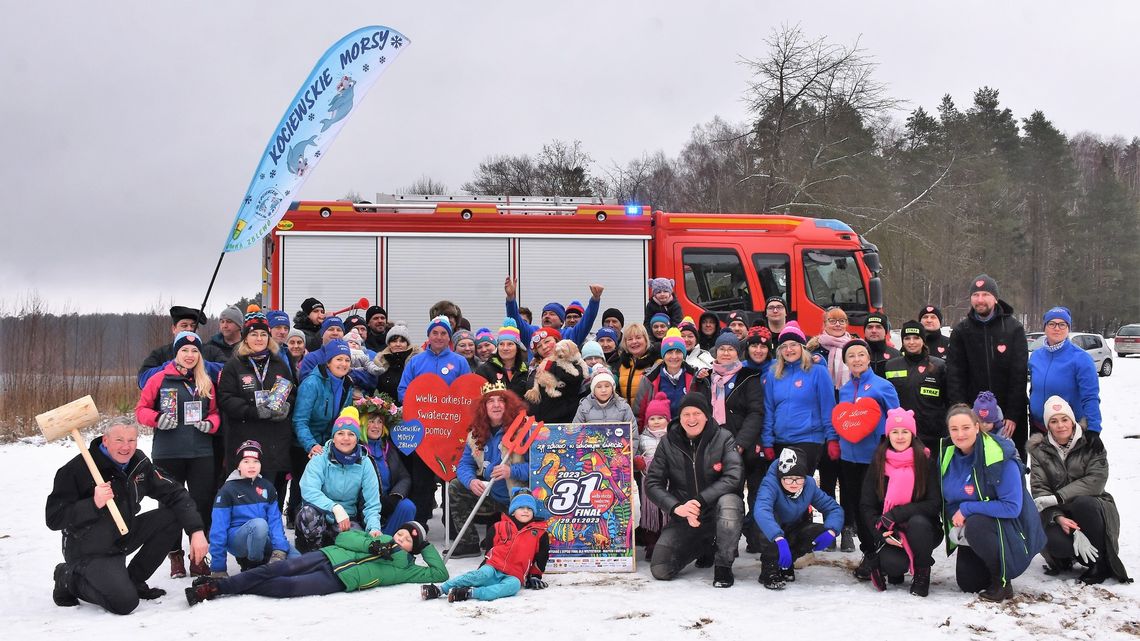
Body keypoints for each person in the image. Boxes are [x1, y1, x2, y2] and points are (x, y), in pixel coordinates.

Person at [47, 421, 208, 614]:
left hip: (123, 533)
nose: (126, 446)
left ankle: (134, 580)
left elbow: (175, 493)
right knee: (124, 603)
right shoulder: (77, 469)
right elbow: (54, 518)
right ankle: (67, 578)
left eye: (131, 440)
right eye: (119, 440)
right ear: (105, 441)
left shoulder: (138, 464)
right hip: (89, 549)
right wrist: (93, 503)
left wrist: (196, 531)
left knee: (173, 516)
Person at [186, 521, 445, 604]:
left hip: (339, 580)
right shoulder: (377, 537)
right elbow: (344, 536)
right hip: (328, 556)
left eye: (408, 540)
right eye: (400, 533)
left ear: (414, 549)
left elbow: (440, 572)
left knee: (286, 587)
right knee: (278, 567)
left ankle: (234, 586)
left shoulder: (407, 569)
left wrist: (425, 546)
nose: (400, 538)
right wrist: (371, 544)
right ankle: (218, 587)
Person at [135, 330, 220, 578]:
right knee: (170, 506)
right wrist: (157, 419)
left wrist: (211, 424)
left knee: (202, 503)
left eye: (195, 351)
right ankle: (175, 556)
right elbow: (141, 410)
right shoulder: (159, 379)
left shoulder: (205, 380)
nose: (190, 355)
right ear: (176, 353)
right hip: (168, 452)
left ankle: (198, 556)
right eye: (185, 350)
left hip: (201, 452)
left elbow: (215, 413)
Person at [940, 404, 1045, 602]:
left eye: (966, 427)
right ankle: (987, 565)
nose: (960, 434)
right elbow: (948, 496)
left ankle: (1002, 581)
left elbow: (1012, 507)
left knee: (977, 523)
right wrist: (956, 520)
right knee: (968, 583)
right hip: (973, 531)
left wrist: (966, 509)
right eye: (954, 429)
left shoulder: (999, 455)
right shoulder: (948, 456)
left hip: (1010, 530)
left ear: (977, 427)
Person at [645, 391, 744, 588]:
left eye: (697, 413)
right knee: (661, 569)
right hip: (685, 515)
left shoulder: (723, 437)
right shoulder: (667, 442)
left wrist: (700, 500)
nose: (692, 419)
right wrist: (676, 508)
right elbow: (652, 483)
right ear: (679, 417)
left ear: (706, 415)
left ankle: (723, 564)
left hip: (717, 511)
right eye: (686, 414)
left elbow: (733, 476)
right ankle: (704, 545)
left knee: (730, 502)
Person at [1028, 396, 1130, 584]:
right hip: (1061, 513)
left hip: (1093, 508)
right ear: (1047, 425)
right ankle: (1067, 558)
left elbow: (1096, 480)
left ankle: (1099, 564)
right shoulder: (1038, 451)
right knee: (1054, 542)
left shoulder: (1091, 443)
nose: (1060, 425)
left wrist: (1059, 497)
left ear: (1072, 420)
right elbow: (1039, 489)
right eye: (1054, 421)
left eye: (1064, 419)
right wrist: (1058, 517)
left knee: (1083, 503)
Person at [858, 408, 942, 596]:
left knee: (918, 522)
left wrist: (895, 514)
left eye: (905, 431)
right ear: (888, 435)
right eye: (895, 432)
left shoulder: (925, 461)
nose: (900, 436)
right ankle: (888, 566)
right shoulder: (879, 461)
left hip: (924, 530)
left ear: (912, 434)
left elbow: (934, 503)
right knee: (893, 565)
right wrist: (880, 531)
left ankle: (922, 573)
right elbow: (867, 505)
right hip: (892, 531)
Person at [945, 274, 1029, 457]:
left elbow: (1019, 374)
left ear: (995, 298)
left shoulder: (1013, 328)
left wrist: (1013, 414)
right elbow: (955, 374)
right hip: (973, 417)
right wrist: (962, 412)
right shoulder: (961, 331)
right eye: (976, 295)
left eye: (985, 294)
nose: (980, 300)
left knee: (1011, 464)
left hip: (1008, 416)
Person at [216, 308, 295, 494]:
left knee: (271, 493)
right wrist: (253, 411)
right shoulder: (234, 365)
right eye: (254, 334)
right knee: (246, 494)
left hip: (275, 440)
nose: (259, 339)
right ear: (245, 338)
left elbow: (291, 391)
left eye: (263, 334)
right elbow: (226, 399)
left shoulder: (279, 364)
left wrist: (286, 406)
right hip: (246, 439)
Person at [450, 384, 532, 557]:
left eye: (501, 400)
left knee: (507, 548)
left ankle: (499, 530)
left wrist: (511, 471)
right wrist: (471, 481)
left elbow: (538, 468)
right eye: (490, 401)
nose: (496, 405)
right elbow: (464, 465)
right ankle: (468, 542)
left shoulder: (522, 430)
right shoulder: (476, 433)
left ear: (508, 404)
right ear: (483, 407)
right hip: (491, 494)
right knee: (456, 486)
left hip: (517, 498)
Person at [837, 339, 901, 563]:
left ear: (868, 358)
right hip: (848, 458)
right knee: (854, 505)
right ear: (846, 361)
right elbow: (841, 420)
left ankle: (881, 550)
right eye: (851, 356)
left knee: (871, 506)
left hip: (874, 457)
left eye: (861, 354)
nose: (857, 359)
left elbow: (897, 421)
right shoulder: (844, 390)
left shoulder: (883, 386)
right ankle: (868, 553)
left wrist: (893, 450)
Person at [423, 490, 549, 602]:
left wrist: (535, 576)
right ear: (513, 511)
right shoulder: (499, 526)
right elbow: (490, 549)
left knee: (514, 586)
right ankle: (440, 589)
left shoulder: (539, 533)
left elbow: (541, 557)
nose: (526, 511)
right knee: (482, 575)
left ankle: (470, 593)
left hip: (515, 574)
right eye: (521, 507)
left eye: (529, 508)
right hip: (494, 566)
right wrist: (484, 565)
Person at [706, 332, 766, 552]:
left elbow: (756, 412)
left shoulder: (749, 376)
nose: (726, 352)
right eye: (722, 349)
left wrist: (740, 442)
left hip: (746, 446)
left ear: (738, 353)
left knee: (756, 495)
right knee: (728, 497)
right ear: (716, 351)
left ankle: (755, 539)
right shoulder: (707, 377)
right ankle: (725, 543)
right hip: (717, 447)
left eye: (731, 349)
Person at [752, 447, 844, 590]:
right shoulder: (770, 483)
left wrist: (832, 530)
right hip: (771, 530)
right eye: (788, 478)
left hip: (794, 526)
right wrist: (778, 538)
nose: (793, 483)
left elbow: (833, 508)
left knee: (818, 531)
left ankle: (787, 563)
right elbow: (761, 510)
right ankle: (769, 568)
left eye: (798, 479)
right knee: (768, 524)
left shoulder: (809, 485)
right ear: (781, 476)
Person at [295, 407, 383, 552]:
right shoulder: (320, 458)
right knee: (308, 514)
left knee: (359, 546)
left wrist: (374, 527)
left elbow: (372, 503)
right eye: (340, 433)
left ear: (357, 438)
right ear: (333, 437)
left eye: (351, 434)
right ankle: (313, 552)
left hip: (347, 520)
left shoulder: (365, 462)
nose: (346, 438)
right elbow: (309, 489)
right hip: (320, 514)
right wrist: (334, 507)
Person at [208, 441, 297, 577]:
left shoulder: (267, 487)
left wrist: (279, 549)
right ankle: (252, 564)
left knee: (297, 559)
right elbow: (218, 530)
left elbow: (275, 522)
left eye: (255, 461)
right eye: (246, 461)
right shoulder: (227, 490)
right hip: (238, 540)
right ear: (238, 465)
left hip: (263, 537)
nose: (251, 466)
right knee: (259, 524)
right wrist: (218, 567)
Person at [761, 323, 837, 477]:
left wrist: (832, 438)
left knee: (796, 485)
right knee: (783, 491)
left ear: (802, 347)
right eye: (784, 346)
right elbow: (769, 409)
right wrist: (767, 441)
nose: (789, 350)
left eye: (793, 345)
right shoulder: (774, 374)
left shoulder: (818, 372)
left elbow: (828, 407)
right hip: (780, 440)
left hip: (808, 439)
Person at [1028, 306, 1102, 435]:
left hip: (1067, 431)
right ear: (1045, 327)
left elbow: (1090, 397)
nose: (1057, 328)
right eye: (1052, 324)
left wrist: (1094, 429)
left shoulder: (1081, 358)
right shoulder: (1036, 356)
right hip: (1039, 428)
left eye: (1062, 324)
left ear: (1068, 328)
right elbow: (1034, 389)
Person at [357, 396, 418, 536]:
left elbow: (404, 477)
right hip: (364, 506)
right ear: (362, 425)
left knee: (407, 506)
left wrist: (395, 497)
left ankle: (391, 544)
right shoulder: (356, 449)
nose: (376, 426)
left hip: (388, 503)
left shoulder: (388, 448)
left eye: (379, 422)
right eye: (371, 422)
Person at [884, 320, 949, 445]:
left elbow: (949, 400)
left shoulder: (939, 366)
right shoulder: (891, 365)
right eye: (907, 338)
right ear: (902, 341)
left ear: (923, 340)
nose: (912, 342)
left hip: (932, 435)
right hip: (901, 434)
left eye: (916, 338)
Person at [633, 328, 710, 426]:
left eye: (678, 352)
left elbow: (705, 410)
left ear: (683, 354)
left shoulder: (695, 377)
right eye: (669, 352)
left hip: (688, 431)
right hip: (658, 434)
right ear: (663, 355)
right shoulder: (649, 379)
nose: (674, 357)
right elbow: (639, 413)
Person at [137, 305, 226, 388]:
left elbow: (229, 373)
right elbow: (142, 380)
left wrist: (201, 366)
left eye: (193, 325)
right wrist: (172, 366)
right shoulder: (160, 353)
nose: (189, 329)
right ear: (174, 329)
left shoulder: (212, 351)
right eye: (184, 325)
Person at [504, 277, 604, 348]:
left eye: (552, 314)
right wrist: (511, 298)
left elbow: (587, 321)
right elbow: (515, 320)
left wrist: (595, 299)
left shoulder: (569, 335)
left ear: (561, 322)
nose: (547, 316)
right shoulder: (533, 333)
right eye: (544, 314)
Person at [397, 315, 471, 403]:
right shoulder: (415, 361)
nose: (439, 337)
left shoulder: (460, 362)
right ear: (428, 335)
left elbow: (467, 391)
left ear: (449, 337)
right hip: (420, 414)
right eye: (435, 333)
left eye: (443, 333)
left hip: (449, 414)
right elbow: (403, 390)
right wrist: (415, 405)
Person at [636, 393, 671, 559]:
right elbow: (636, 454)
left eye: (660, 418)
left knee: (667, 513)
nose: (656, 422)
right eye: (652, 419)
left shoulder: (673, 437)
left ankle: (667, 544)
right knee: (651, 514)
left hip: (669, 482)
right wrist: (639, 461)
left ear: (667, 419)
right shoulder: (642, 438)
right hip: (648, 482)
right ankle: (651, 544)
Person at [476, 318, 529, 399]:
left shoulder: (527, 370)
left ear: (517, 348)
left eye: (510, 344)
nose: (505, 348)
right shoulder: (484, 370)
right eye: (501, 344)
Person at [371, 322, 418, 400]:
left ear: (407, 344)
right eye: (394, 341)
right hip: (385, 410)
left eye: (402, 341)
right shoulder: (380, 362)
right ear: (389, 344)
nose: (398, 344)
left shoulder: (415, 363)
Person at [616, 323, 659, 405]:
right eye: (630, 339)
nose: (634, 342)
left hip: (647, 414)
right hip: (625, 415)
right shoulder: (621, 363)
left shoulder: (656, 363)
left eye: (638, 338)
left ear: (646, 340)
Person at [296, 316, 348, 381]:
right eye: (331, 329)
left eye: (339, 330)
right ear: (322, 334)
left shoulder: (348, 357)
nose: (335, 333)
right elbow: (306, 385)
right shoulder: (312, 358)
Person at [863, 312, 900, 377]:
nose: (874, 331)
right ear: (864, 331)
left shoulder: (897, 356)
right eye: (870, 327)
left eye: (878, 327)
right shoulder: (856, 355)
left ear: (885, 332)